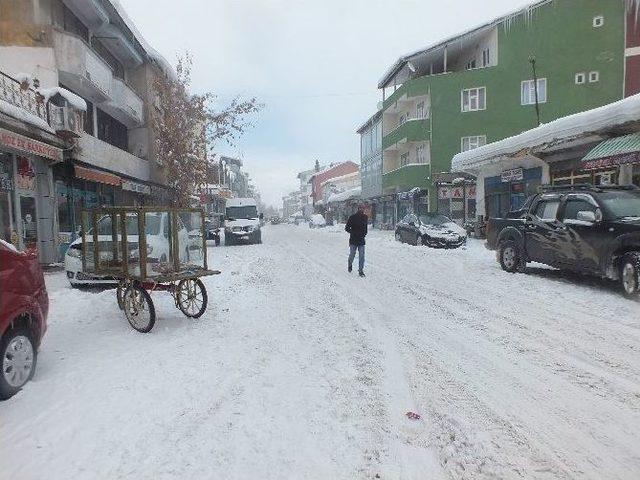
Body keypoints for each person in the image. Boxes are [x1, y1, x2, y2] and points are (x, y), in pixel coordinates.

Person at [345, 204, 368, 277]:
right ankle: (350, 264)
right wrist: (353, 232)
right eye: (361, 208)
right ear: (358, 209)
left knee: (362, 256)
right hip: (353, 240)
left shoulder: (365, 217)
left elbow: (365, 228)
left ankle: (361, 271)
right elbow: (347, 228)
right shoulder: (352, 217)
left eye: (363, 208)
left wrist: (364, 234)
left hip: (361, 240)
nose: (362, 209)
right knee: (352, 254)